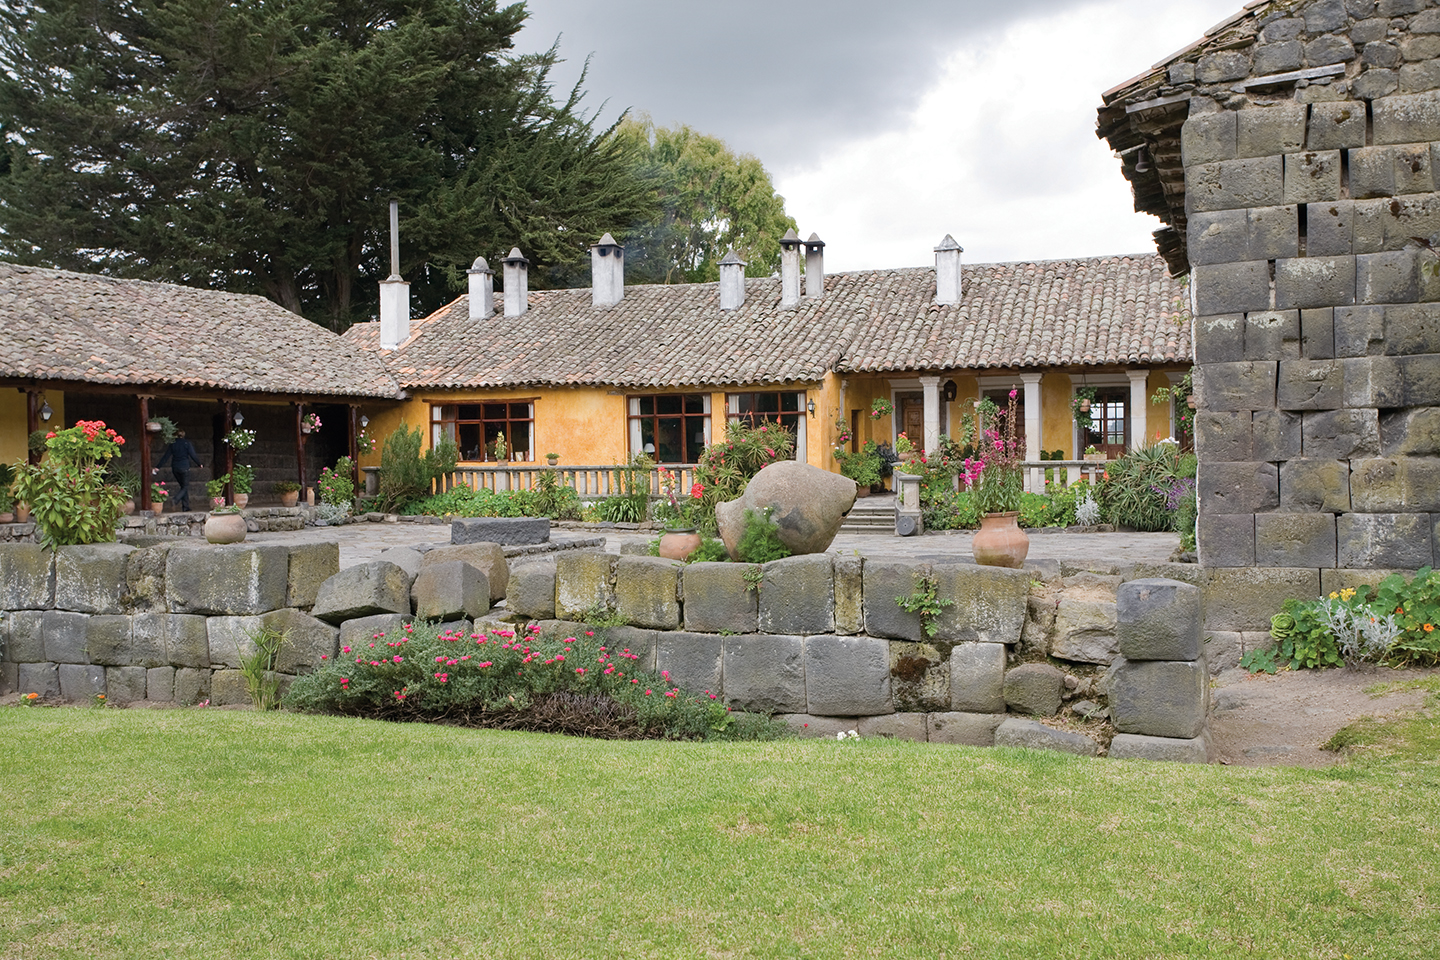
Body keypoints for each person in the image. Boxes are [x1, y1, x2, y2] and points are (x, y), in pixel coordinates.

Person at [153, 428, 203, 511]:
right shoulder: (187, 443)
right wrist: (199, 463)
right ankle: (175, 500)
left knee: (183, 486)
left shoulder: (172, 444)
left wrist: (158, 467)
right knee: (185, 486)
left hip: (175, 468)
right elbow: (193, 455)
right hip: (184, 467)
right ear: (183, 435)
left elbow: (166, 457)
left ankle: (185, 507)